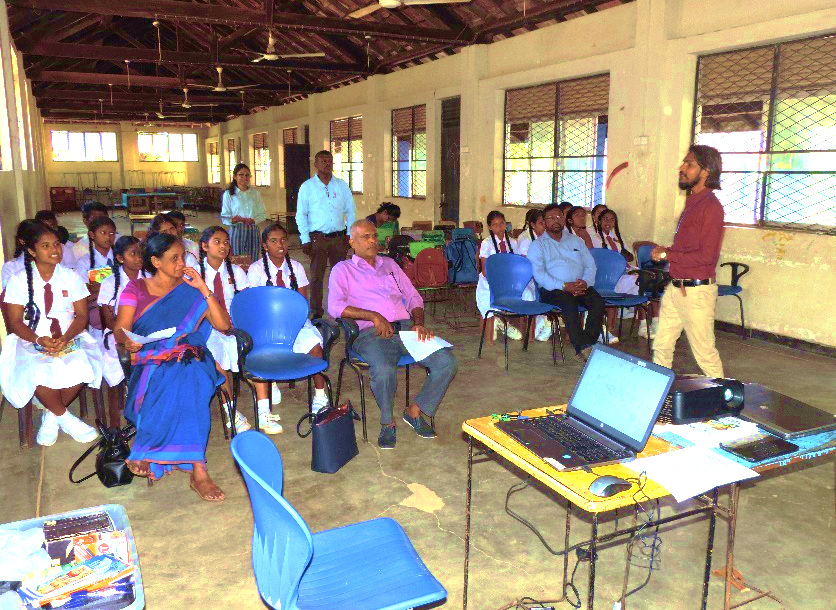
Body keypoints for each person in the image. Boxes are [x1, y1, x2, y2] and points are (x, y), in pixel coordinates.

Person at [113, 233, 229, 501]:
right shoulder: (136, 289)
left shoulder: (190, 289)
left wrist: (203, 288)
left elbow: (223, 325)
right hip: (151, 359)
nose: (181, 263)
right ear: (155, 261)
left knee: (190, 372)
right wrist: (127, 341)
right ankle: (195, 468)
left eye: (183, 257)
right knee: (179, 376)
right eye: (173, 258)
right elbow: (121, 329)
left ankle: (187, 466)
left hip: (192, 355)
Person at [328, 219, 457, 449]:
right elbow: (335, 307)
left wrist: (418, 323)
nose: (371, 241)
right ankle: (388, 423)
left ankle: (415, 411)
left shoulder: (389, 264)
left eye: (374, 236)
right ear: (352, 242)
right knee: (385, 370)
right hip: (370, 334)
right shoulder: (342, 270)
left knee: (446, 362)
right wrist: (374, 316)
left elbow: (414, 297)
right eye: (365, 237)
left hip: (405, 329)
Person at [0, 223, 102, 446]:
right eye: (45, 246)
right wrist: (38, 339)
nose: (55, 249)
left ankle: (51, 416)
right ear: (32, 251)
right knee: (37, 368)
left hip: (68, 335)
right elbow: (16, 322)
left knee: (83, 366)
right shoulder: (18, 280)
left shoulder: (71, 277)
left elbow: (82, 317)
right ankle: (65, 418)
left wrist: (65, 338)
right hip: (30, 338)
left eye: (56, 244)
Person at [651, 145, 726, 378]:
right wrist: (668, 250)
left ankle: (725, 404)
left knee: (704, 353)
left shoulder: (711, 207)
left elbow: (707, 256)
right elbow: (688, 248)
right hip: (676, 287)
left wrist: (668, 255)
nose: (682, 168)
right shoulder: (692, 201)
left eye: (689, 164)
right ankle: (657, 394)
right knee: (661, 345)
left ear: (705, 171)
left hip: (696, 292)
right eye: (684, 163)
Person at [247, 223, 331, 427]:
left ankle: (320, 395)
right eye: (273, 241)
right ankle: (268, 389)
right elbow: (257, 305)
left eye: (283, 240)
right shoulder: (256, 269)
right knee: (263, 352)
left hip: (295, 323)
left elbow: (302, 303)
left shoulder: (297, 267)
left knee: (315, 347)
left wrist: (293, 324)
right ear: (264, 245)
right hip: (267, 326)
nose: (280, 245)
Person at [196, 226, 257, 433]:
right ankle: (230, 409)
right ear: (204, 246)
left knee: (252, 344)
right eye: (217, 241)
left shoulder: (236, 271)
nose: (223, 246)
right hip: (207, 326)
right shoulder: (196, 274)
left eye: (226, 242)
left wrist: (236, 324)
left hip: (233, 324)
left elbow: (246, 303)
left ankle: (264, 396)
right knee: (218, 354)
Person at [528, 204, 604, 362]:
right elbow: (539, 274)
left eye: (558, 217)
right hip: (553, 289)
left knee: (597, 302)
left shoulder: (576, 241)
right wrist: (563, 286)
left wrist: (586, 282)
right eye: (550, 218)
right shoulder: (537, 245)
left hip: (579, 285)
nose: (555, 221)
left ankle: (588, 343)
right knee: (569, 304)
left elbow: (590, 264)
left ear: (564, 219)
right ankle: (581, 348)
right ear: (544, 221)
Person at [296, 150, 356, 318]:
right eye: (323, 161)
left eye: (330, 161)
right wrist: (305, 238)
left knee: (341, 276)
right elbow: (301, 214)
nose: (327, 163)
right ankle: (316, 313)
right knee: (316, 277)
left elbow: (351, 210)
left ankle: (343, 311)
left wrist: (349, 234)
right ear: (315, 164)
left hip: (338, 238)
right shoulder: (307, 187)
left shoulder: (341, 185)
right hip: (317, 238)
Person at [97, 236, 145, 395]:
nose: (139, 257)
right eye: (133, 253)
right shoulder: (110, 283)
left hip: (146, 331)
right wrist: (129, 334)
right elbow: (109, 321)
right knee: (120, 355)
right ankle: (132, 390)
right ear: (120, 258)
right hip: (119, 333)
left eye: (141, 253)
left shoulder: (149, 278)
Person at [591, 209, 639, 344]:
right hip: (602, 276)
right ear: (599, 221)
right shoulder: (594, 238)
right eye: (605, 219)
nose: (608, 222)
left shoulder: (615, 238)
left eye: (612, 220)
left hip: (619, 272)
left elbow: (628, 256)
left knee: (642, 280)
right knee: (634, 282)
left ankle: (643, 321)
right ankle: (601, 327)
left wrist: (621, 254)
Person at [475, 210, 524, 343]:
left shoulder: (513, 242)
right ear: (490, 227)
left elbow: (517, 264)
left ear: (506, 224)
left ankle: (503, 323)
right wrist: (497, 283)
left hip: (508, 282)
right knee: (487, 306)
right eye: (495, 225)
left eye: (501, 223)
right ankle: (490, 328)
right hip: (490, 281)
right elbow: (485, 269)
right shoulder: (487, 243)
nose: (499, 227)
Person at [516, 209, 551, 342]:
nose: (545, 226)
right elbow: (526, 266)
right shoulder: (526, 239)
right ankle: (544, 322)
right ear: (532, 225)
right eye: (542, 223)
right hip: (526, 279)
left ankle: (545, 321)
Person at [221, 163, 268, 262]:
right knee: (237, 260)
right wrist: (232, 220)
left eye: (247, 175)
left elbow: (263, 214)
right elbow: (225, 216)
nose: (244, 178)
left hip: (252, 230)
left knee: (253, 259)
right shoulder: (229, 194)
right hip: (237, 230)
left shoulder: (255, 194)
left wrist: (254, 220)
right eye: (241, 175)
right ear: (235, 176)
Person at [67, 202, 114, 269]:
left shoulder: (119, 240)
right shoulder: (78, 249)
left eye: (103, 219)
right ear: (85, 221)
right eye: (95, 219)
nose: (100, 223)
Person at [2, 220, 39, 290]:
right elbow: (9, 295)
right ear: (22, 241)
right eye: (34, 238)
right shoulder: (10, 268)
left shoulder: (52, 262)